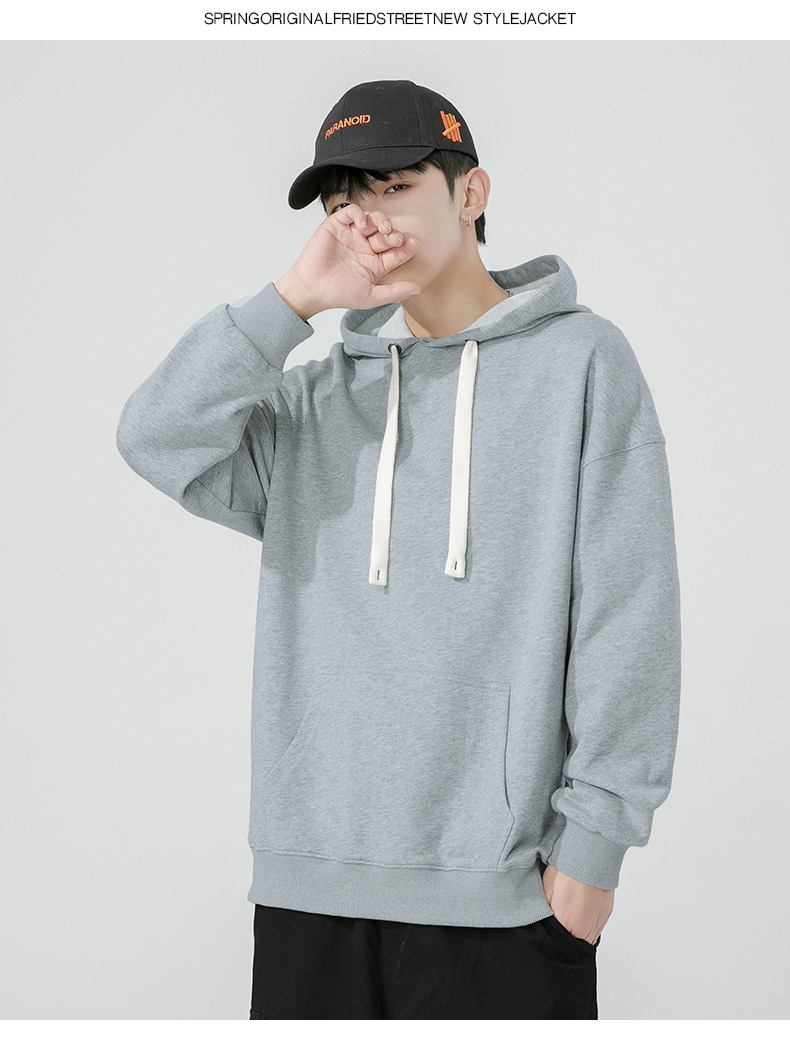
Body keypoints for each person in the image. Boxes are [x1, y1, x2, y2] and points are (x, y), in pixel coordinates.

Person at [116, 79, 682, 1019]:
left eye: (394, 187)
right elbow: (154, 436)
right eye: (344, 203)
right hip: (309, 885)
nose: (368, 221)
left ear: (471, 193)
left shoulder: (582, 364)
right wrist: (296, 299)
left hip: (507, 893)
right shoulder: (311, 403)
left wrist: (594, 850)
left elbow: (631, 612)